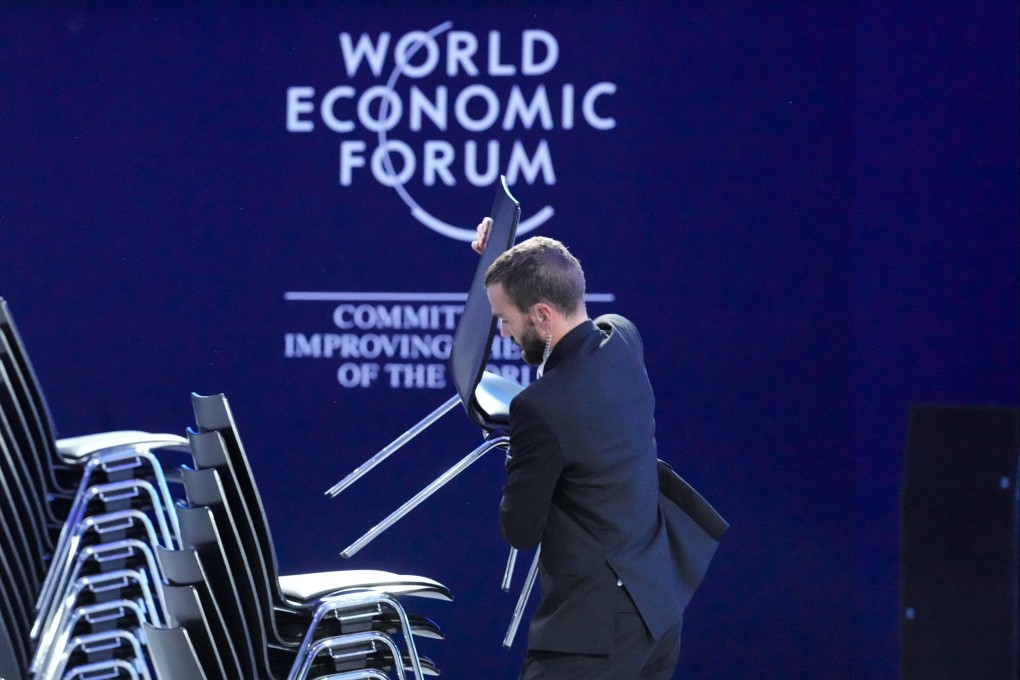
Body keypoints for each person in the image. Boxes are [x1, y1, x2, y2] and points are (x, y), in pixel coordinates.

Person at [472, 218, 684, 679]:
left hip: (593, 636)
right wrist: (505, 262)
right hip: (657, 616)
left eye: (505, 320)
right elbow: (556, 273)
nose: (504, 333)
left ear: (543, 315)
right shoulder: (624, 337)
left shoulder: (538, 410)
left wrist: (519, 447)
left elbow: (521, 530)